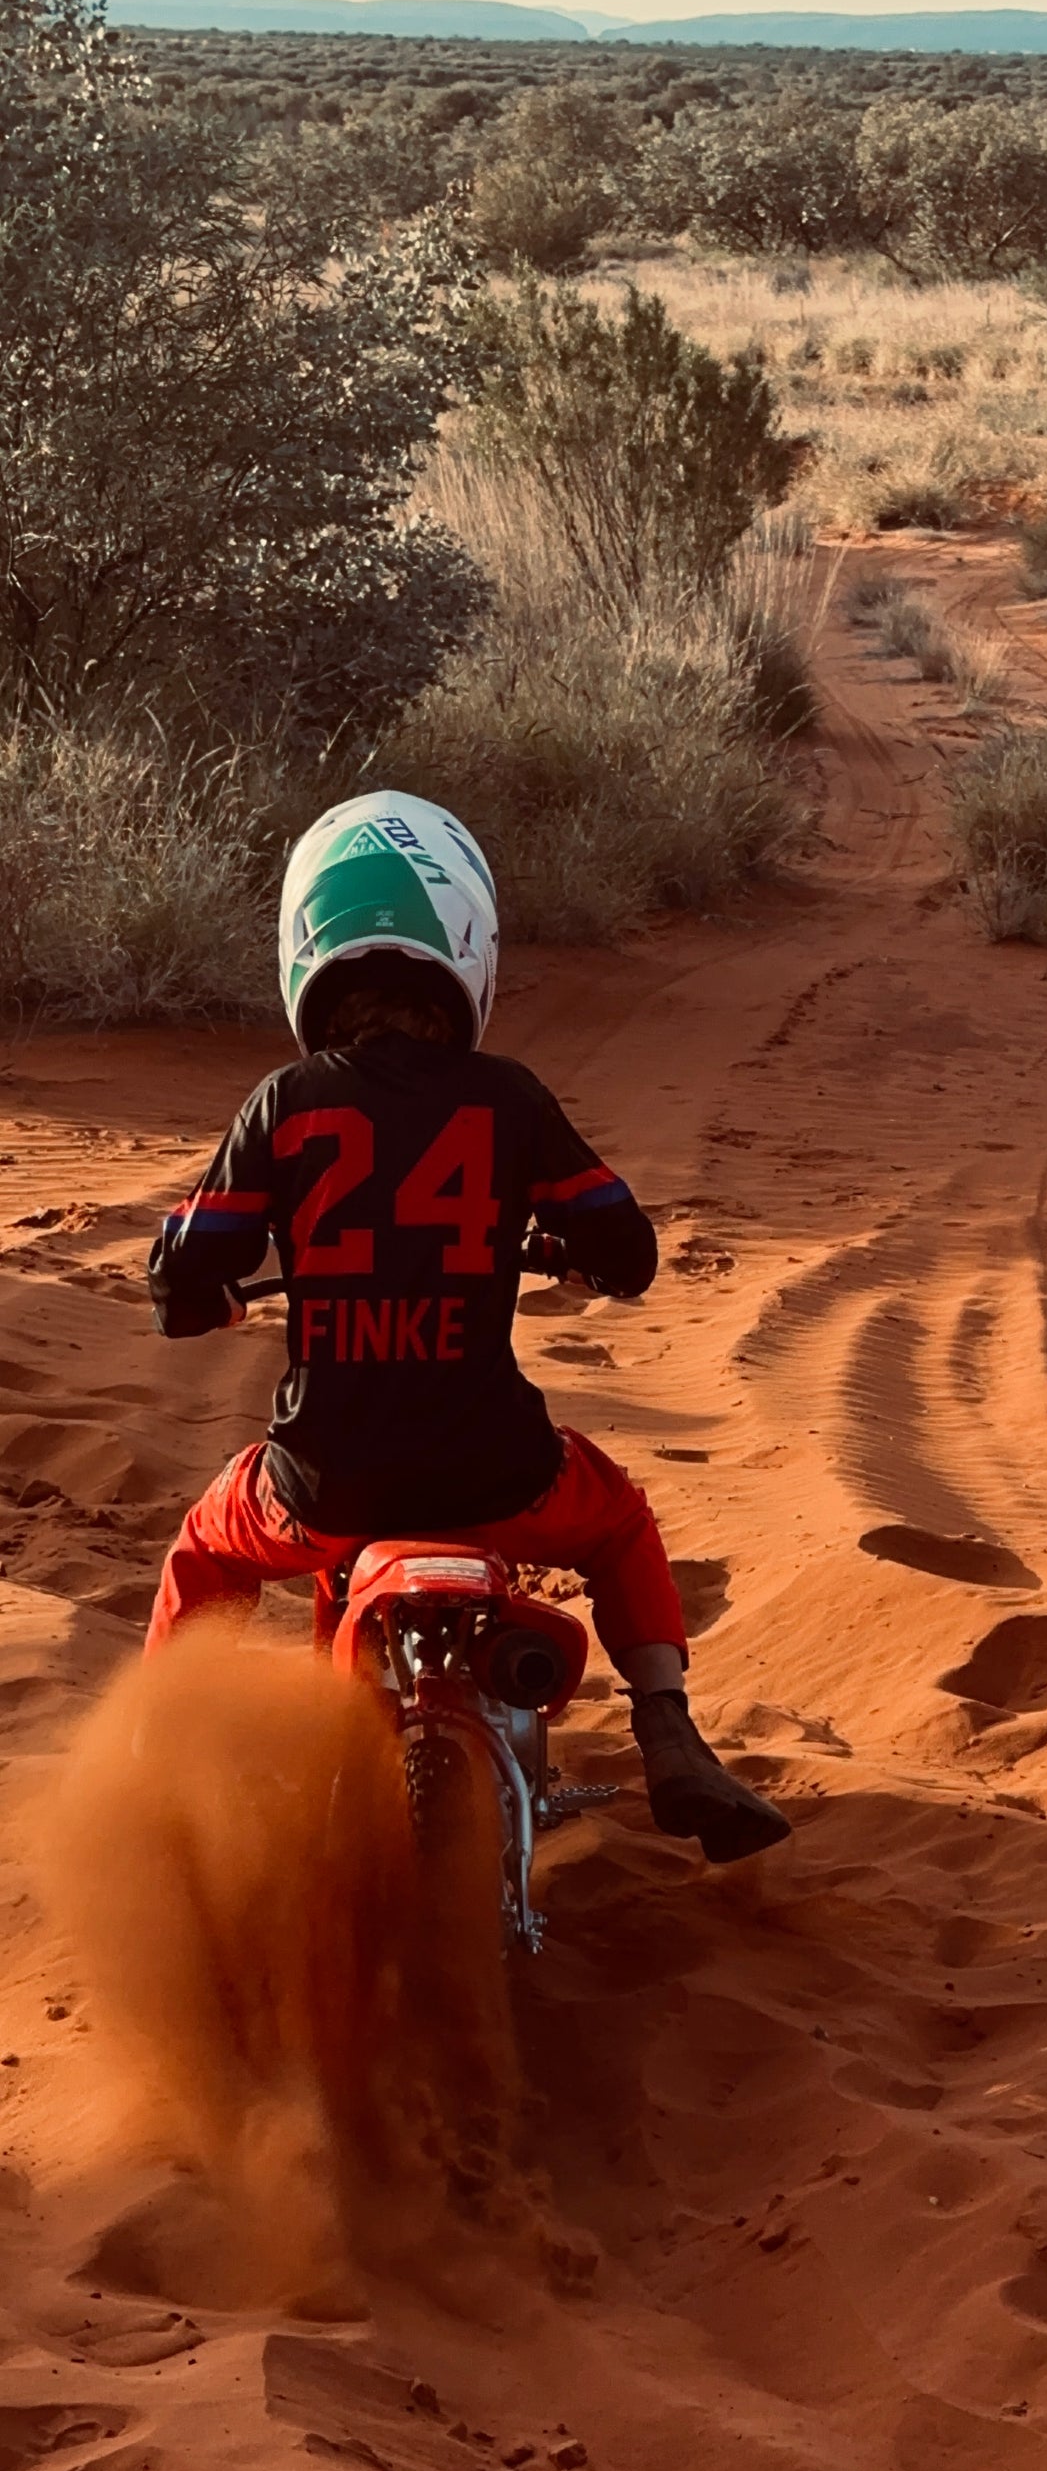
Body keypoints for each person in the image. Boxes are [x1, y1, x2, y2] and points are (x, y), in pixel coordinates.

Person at [145, 789, 789, 1867]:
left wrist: (209, 1292)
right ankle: (669, 1732)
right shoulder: (510, 1099)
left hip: (321, 1490)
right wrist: (565, 1250)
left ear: (309, 952)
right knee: (620, 1516)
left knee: (206, 1550)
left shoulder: (283, 1101)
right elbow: (626, 1251)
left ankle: (161, 1778)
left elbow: (181, 1282)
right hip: (500, 1479)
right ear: (466, 948)